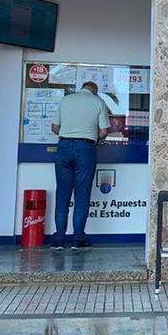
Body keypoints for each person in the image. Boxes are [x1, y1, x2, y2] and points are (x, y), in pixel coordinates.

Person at [50, 81, 110, 252]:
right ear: (94, 90)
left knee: (62, 195)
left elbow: (55, 127)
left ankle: (58, 240)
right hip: (85, 148)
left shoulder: (66, 100)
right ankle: (78, 239)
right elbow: (104, 131)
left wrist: (68, 133)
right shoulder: (98, 102)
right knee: (81, 197)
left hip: (63, 147)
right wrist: (94, 138)